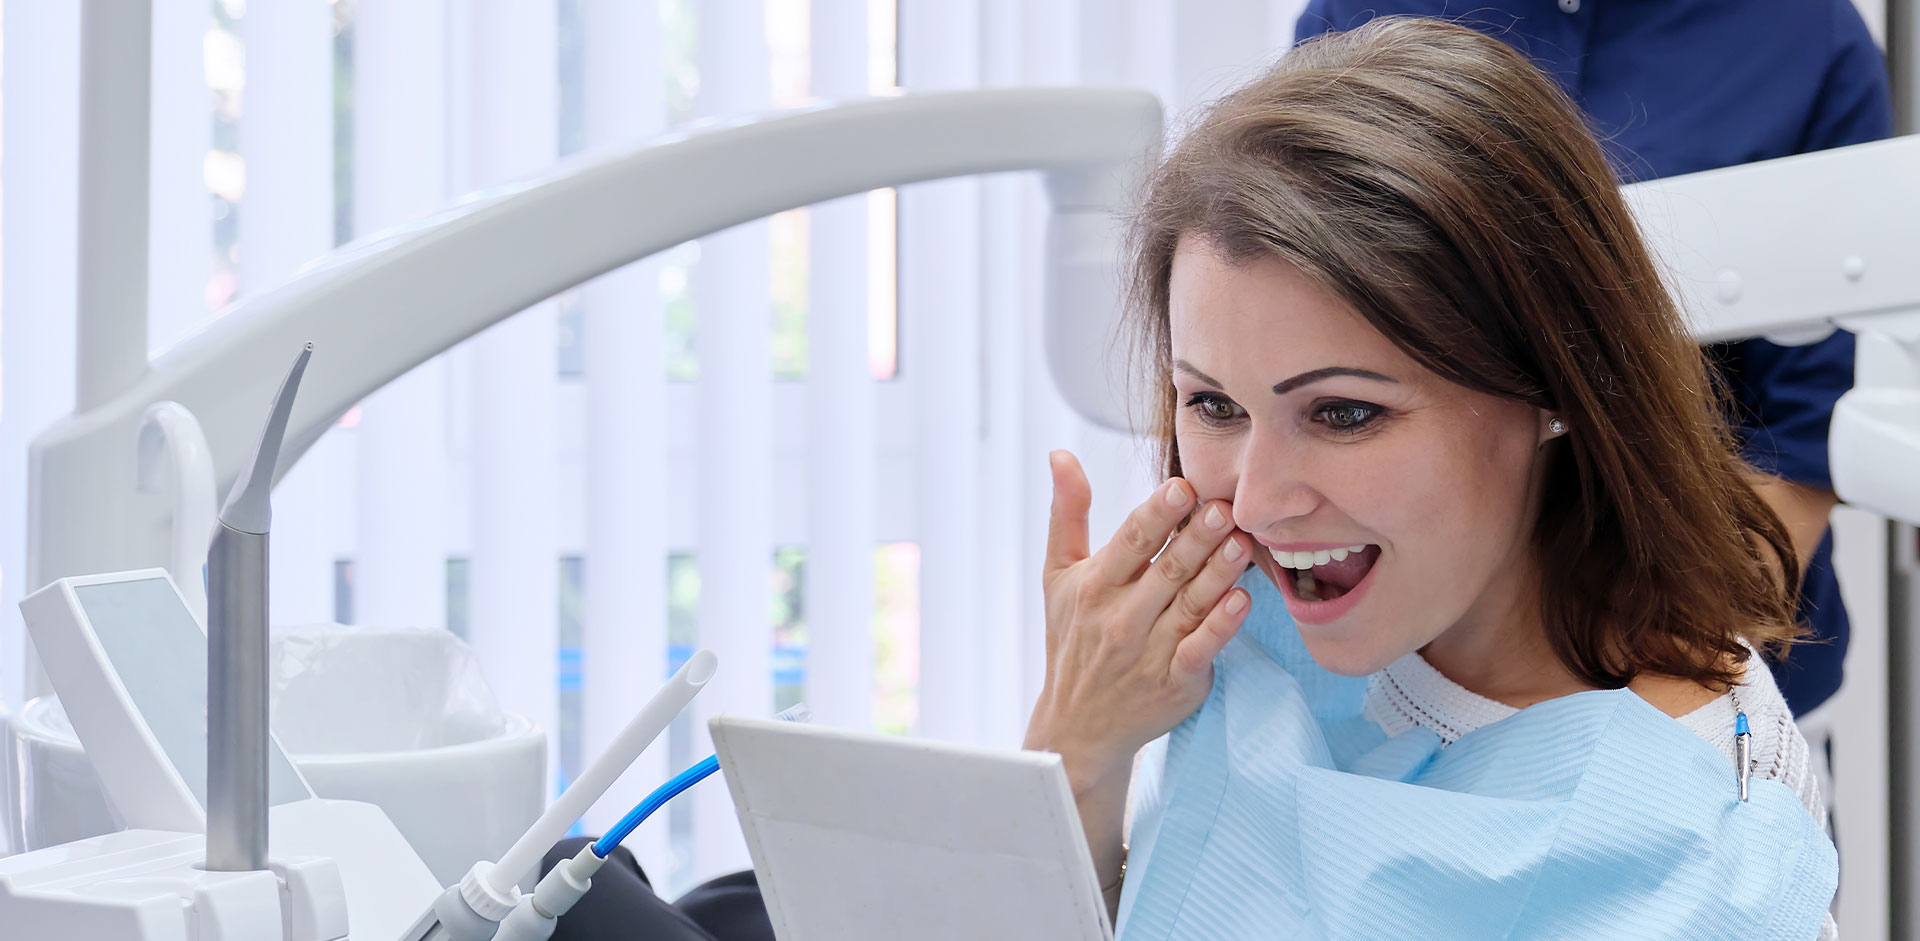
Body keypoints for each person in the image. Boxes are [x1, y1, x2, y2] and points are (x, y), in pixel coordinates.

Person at [1024, 17, 1835, 939]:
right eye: (1214, 405)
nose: (1253, 502)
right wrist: (1078, 754)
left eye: (1344, 413)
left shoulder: (1685, 850)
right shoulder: (1246, 639)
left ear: (1554, 385)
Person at [1293, 0, 1894, 725]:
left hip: (1696, 659)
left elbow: (1806, 439)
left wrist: (1661, 680)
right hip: (1407, 673)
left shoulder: (1805, 32)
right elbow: (1302, 344)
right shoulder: (1355, 17)